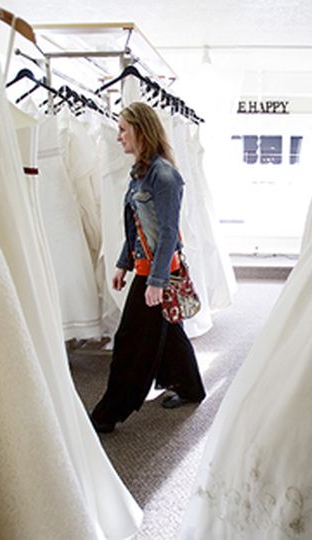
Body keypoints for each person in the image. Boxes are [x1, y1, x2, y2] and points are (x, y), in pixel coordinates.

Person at [90, 102, 206, 434]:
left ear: (141, 130)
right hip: (146, 267)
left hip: (158, 272)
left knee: (131, 341)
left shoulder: (164, 175)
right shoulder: (140, 173)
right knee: (168, 331)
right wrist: (123, 264)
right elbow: (138, 226)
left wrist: (156, 281)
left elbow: (169, 231)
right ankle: (191, 387)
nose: (118, 137)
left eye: (123, 129)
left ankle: (108, 413)